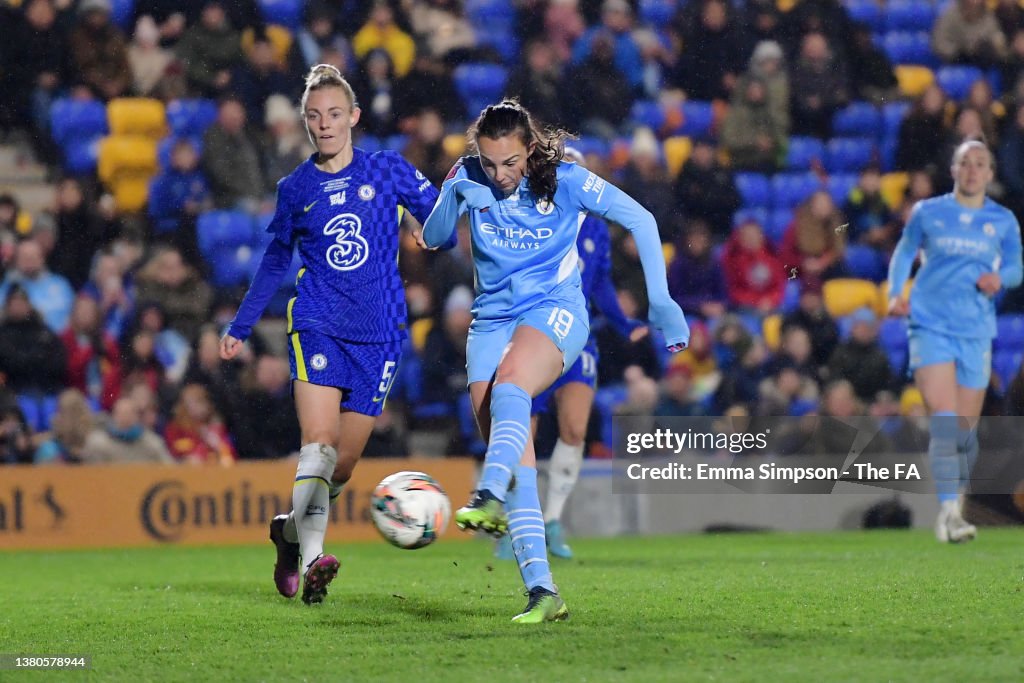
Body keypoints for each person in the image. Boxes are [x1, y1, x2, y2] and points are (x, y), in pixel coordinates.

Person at [419, 100, 688, 623]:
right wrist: (452, 195)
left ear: (530, 149)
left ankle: (488, 492)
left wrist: (660, 301)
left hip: (555, 311)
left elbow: (643, 219)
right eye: (491, 163)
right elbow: (433, 238)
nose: (500, 175)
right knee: (513, 452)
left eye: (511, 163)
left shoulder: (566, 179)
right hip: (490, 324)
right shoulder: (467, 173)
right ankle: (544, 593)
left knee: (513, 386)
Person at [219, 64, 440, 605]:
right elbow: (275, 260)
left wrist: (427, 229)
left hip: (381, 333)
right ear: (305, 121)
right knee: (318, 444)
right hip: (317, 322)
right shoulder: (295, 188)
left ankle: (289, 534)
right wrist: (242, 323)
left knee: (340, 464)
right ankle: (316, 559)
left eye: (334, 114)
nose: (324, 124)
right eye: (314, 116)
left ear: (354, 117)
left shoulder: (387, 169)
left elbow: (439, 225)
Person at [492, 148, 647, 562]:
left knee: (575, 429)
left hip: (578, 337)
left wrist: (623, 323)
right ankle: (515, 523)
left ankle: (553, 520)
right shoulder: (525, 220)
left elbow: (600, 285)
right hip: (529, 336)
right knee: (521, 431)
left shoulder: (595, 231)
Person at [887, 139, 1023, 543]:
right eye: (965, 162)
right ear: (953, 170)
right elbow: (904, 250)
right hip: (930, 325)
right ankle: (949, 512)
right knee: (945, 421)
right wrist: (896, 292)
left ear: (990, 174)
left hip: (976, 330)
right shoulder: (929, 212)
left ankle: (955, 504)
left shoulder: (1002, 220)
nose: (972, 170)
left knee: (965, 432)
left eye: (980, 163)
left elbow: (1017, 265)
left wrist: (1001, 278)